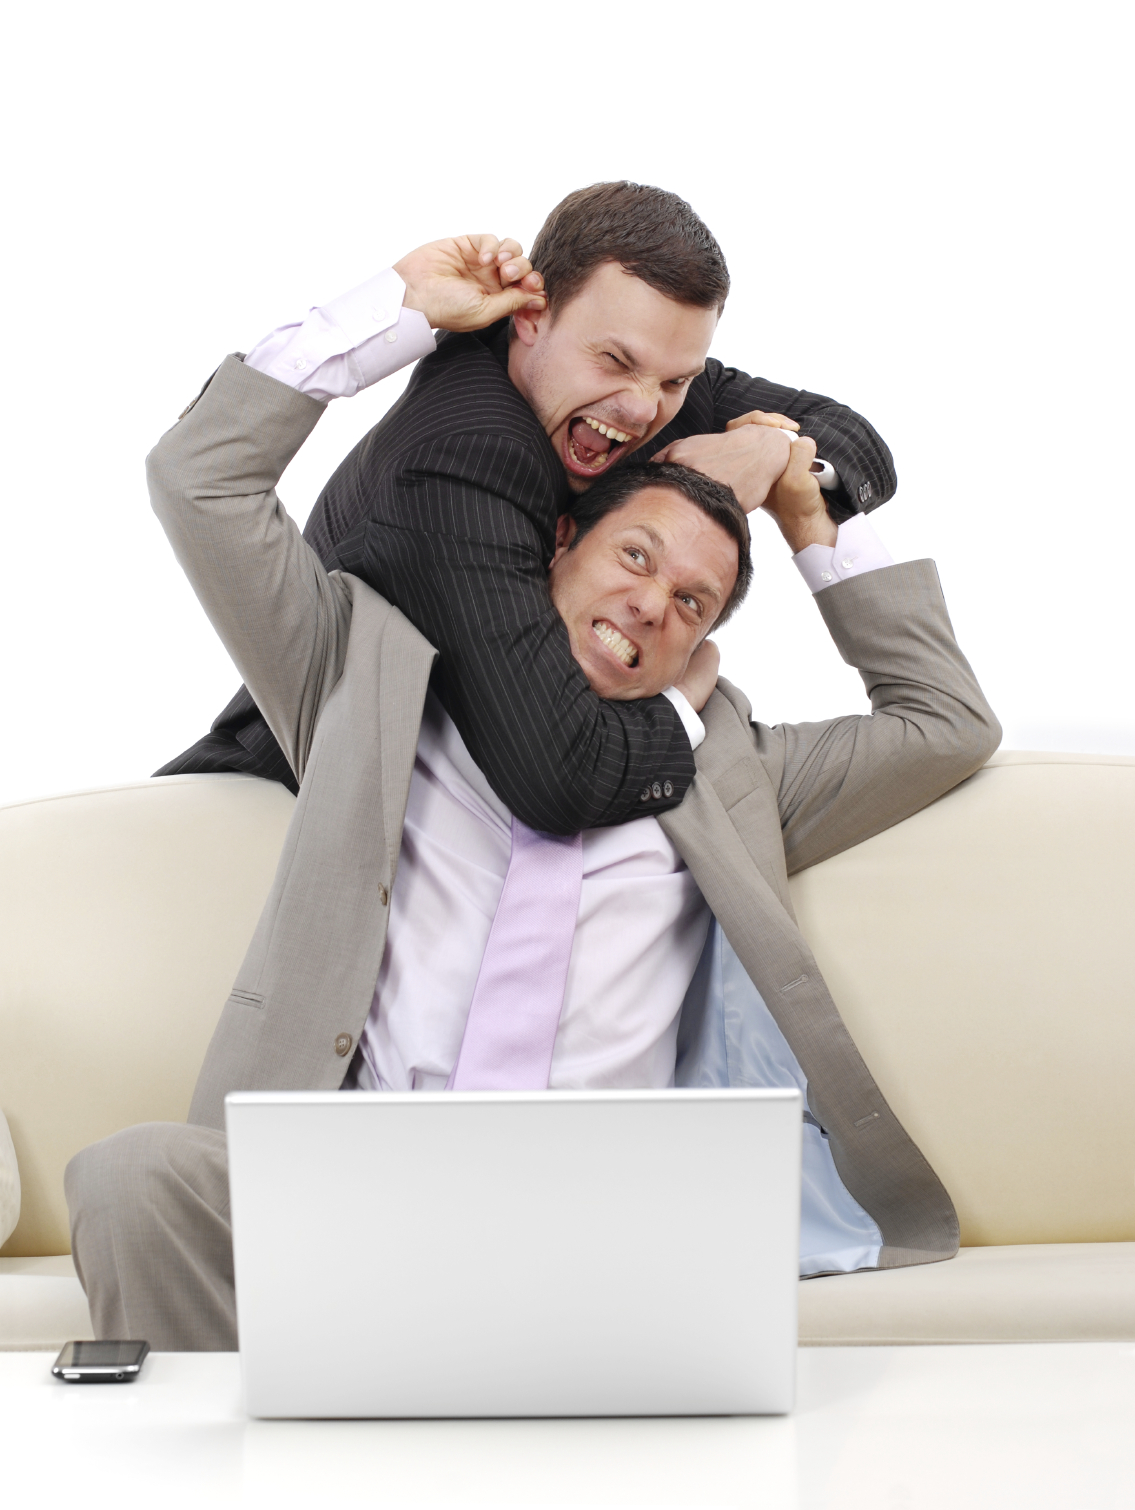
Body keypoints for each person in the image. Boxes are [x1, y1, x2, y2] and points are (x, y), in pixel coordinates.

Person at [65, 256, 999, 1349]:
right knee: (134, 1178)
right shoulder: (358, 681)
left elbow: (946, 720)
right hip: (351, 1186)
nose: (650, 604)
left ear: (706, 637)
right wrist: (398, 311)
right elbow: (199, 479)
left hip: (604, 1216)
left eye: (690, 601)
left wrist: (809, 520)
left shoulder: (734, 771)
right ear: (557, 545)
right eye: (634, 556)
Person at [157, 184, 897, 832]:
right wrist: (682, 701)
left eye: (675, 380)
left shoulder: (653, 387)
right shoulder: (464, 452)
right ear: (531, 316)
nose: (644, 409)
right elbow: (562, 775)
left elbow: (862, 448)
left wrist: (770, 456)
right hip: (287, 822)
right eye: (614, 361)